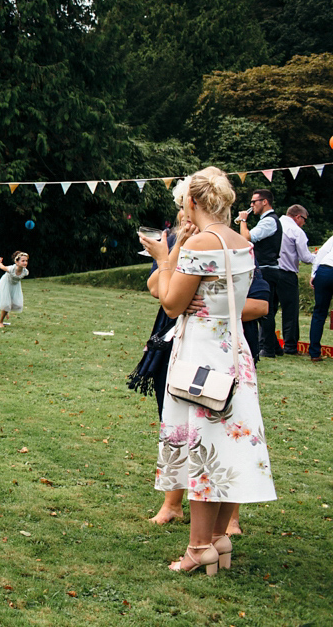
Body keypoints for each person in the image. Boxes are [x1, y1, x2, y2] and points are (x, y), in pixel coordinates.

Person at [141, 167, 276, 575]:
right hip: (234, 351)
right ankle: (219, 538)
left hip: (200, 352)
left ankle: (199, 547)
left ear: (194, 202)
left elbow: (170, 304)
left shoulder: (200, 243)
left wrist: (165, 260)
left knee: (201, 448)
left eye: (184, 200)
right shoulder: (241, 242)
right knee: (222, 445)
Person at [236, 189, 282, 357]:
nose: (251, 205)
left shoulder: (269, 221)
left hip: (267, 270)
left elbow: (246, 238)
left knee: (264, 311)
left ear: (265, 202)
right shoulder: (266, 221)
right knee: (268, 311)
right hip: (268, 269)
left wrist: (242, 220)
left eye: (254, 202)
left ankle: (267, 349)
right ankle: (275, 347)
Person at [276, 204, 315, 354]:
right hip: (287, 274)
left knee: (270, 310)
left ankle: (266, 343)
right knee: (290, 311)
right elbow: (305, 258)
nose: (304, 223)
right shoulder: (296, 231)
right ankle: (290, 346)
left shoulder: (274, 224)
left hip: (271, 271)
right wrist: (318, 257)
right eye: (304, 219)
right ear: (298, 217)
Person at [308, 233, 333, 360]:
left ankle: (314, 352)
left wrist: (314, 273)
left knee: (319, 313)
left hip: (325, 271)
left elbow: (322, 252)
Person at [0, 252, 29, 327]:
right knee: (6, 304)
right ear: (17, 262)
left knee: (17, 304)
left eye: (26, 261)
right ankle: (0, 322)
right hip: (6, 284)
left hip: (15, 286)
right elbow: (2, 267)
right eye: (23, 261)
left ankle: (6, 311)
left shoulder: (25, 272)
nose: (25, 263)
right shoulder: (11, 269)